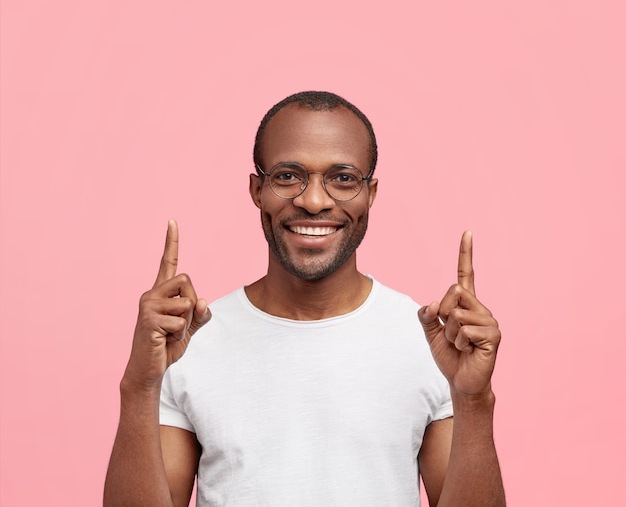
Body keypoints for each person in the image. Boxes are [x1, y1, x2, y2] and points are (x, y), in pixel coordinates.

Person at [104, 91, 505, 506]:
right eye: (288, 176)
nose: (314, 201)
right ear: (257, 189)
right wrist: (139, 385)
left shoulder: (431, 343)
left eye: (344, 178)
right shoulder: (186, 342)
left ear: (371, 193)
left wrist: (474, 401)